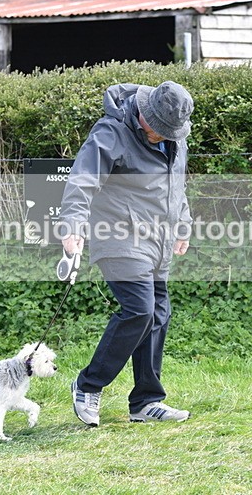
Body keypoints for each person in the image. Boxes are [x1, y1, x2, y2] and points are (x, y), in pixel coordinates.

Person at [58, 80, 194, 426]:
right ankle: (88, 384)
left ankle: (146, 402)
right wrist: (73, 223)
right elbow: (83, 178)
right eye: (158, 129)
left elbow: (177, 185)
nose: (163, 135)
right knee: (140, 309)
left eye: (169, 131)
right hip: (119, 234)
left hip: (158, 240)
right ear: (143, 113)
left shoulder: (174, 137)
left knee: (158, 315)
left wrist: (183, 223)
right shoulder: (112, 131)